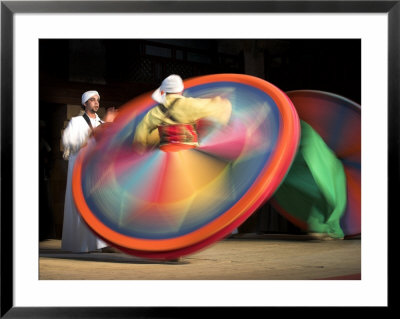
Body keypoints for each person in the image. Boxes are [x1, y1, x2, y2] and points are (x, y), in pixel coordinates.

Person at [61, 90, 117, 253]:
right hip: (81, 169)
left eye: (97, 100)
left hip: (98, 171)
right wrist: (91, 136)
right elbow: (68, 141)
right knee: (83, 206)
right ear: (85, 103)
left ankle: (102, 243)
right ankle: (84, 244)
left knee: (100, 205)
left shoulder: (101, 123)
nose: (96, 103)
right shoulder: (77, 122)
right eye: (92, 100)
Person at [133, 74, 232, 152]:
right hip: (189, 151)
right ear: (181, 90)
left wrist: (140, 145)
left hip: (164, 153)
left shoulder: (155, 111)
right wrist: (220, 101)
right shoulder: (189, 104)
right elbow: (219, 107)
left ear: (165, 92)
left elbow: (142, 128)